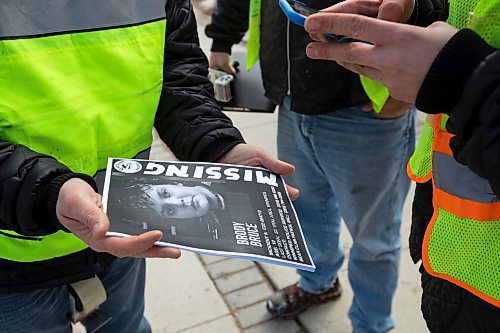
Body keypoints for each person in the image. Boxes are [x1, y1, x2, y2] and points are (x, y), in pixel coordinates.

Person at [0, 1, 298, 332]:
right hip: (15, 256)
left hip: (122, 230)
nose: (180, 201)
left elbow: (176, 71)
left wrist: (216, 146)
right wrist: (48, 191)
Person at [205, 1, 416, 332]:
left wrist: (409, 89)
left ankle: (372, 324)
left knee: (373, 237)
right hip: (292, 100)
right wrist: (221, 42)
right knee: (305, 209)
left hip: (365, 111)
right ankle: (318, 283)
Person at [302, 0, 500, 331]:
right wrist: (416, 20)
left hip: (487, 282)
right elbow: (468, 16)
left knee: (373, 241)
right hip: (456, 260)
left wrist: (462, 78)